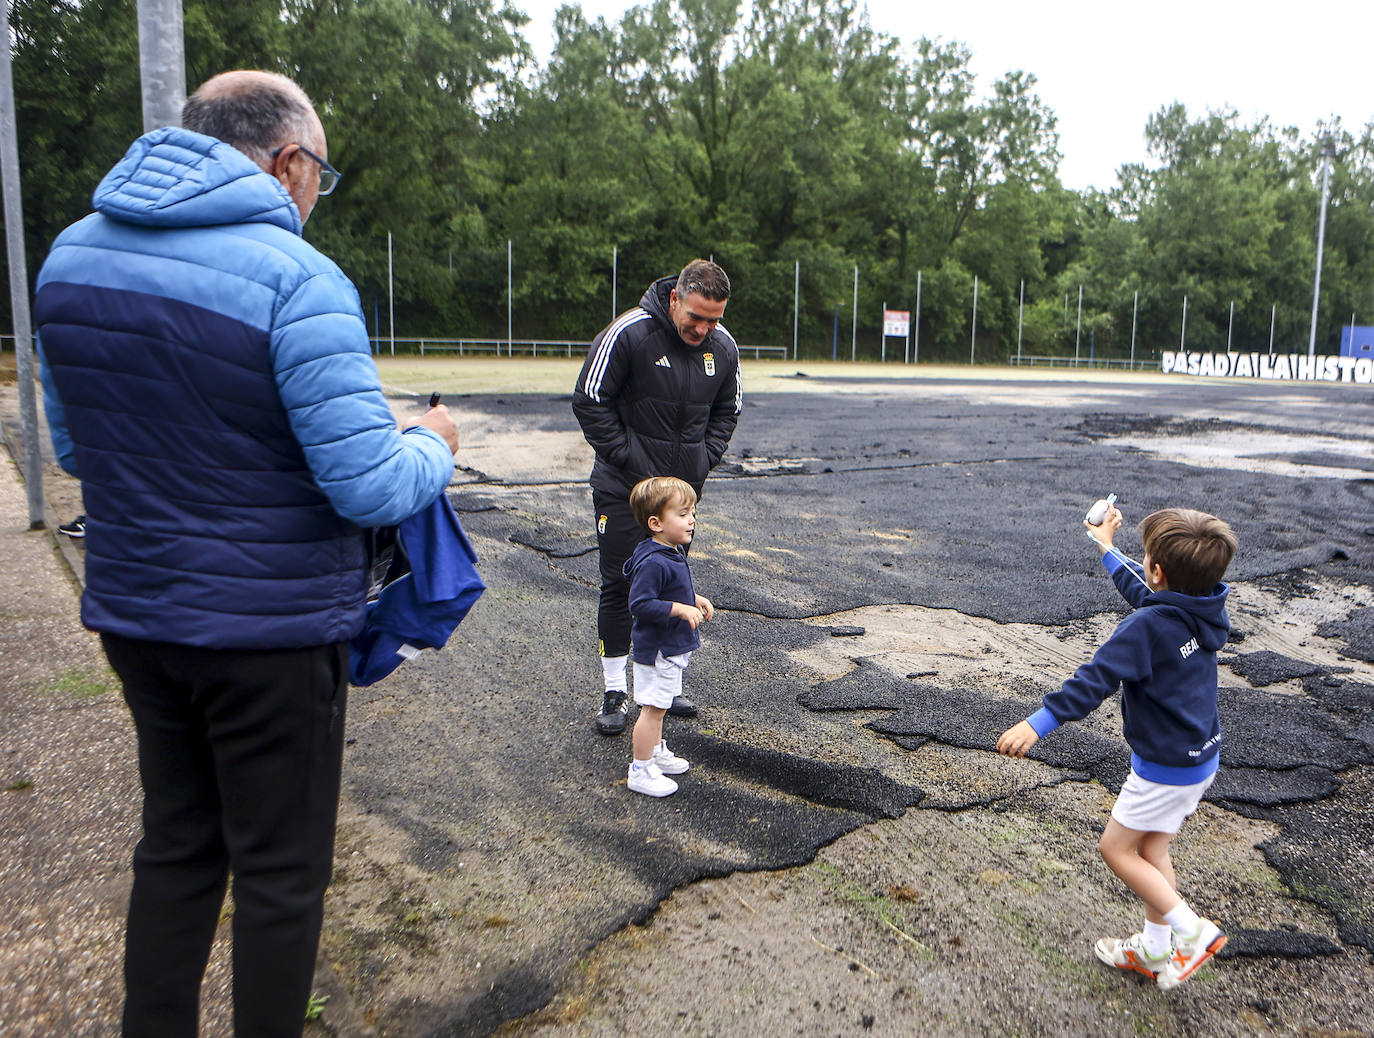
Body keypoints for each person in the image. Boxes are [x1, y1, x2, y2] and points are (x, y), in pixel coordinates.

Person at [34, 71, 458, 1037]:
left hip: (138, 613)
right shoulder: (296, 276)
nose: (314, 195)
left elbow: (72, 448)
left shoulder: (69, 259)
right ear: (289, 160)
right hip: (269, 635)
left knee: (177, 847)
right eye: (321, 174)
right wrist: (432, 440)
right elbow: (368, 486)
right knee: (278, 874)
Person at [996, 504, 1237, 990]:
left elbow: (1095, 679)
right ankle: (1153, 948)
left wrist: (1037, 723)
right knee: (1151, 848)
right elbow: (1149, 594)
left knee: (1116, 849)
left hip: (1164, 766)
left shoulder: (1145, 628)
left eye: (1147, 560)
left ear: (1157, 570)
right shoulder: (1203, 605)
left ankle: (1193, 933)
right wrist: (1106, 546)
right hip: (1199, 756)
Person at [572, 259, 740, 736]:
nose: (704, 328)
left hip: (679, 498)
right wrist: (630, 460)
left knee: (671, 587)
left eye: (715, 319)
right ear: (675, 300)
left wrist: (701, 460)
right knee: (620, 586)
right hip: (623, 491)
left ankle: (663, 684)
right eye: (696, 317)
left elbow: (729, 409)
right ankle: (614, 691)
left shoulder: (723, 349)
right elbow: (589, 399)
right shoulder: (631, 332)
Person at [623, 476, 713, 797]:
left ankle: (656, 753)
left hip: (671, 649)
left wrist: (693, 599)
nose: (692, 520)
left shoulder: (668, 551)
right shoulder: (653, 561)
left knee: (661, 706)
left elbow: (669, 591)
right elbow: (641, 603)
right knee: (653, 708)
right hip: (658, 650)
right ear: (656, 523)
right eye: (683, 513)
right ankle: (641, 768)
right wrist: (678, 608)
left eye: (692, 513)